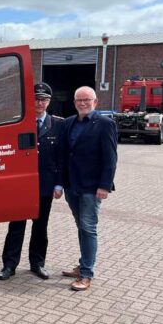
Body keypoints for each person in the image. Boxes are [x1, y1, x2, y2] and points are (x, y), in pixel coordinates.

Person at [0, 82, 63, 280]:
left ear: (49, 101)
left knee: (40, 227)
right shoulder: (17, 123)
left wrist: (59, 184)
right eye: (36, 98)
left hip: (45, 185)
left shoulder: (58, 124)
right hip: (21, 186)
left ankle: (37, 263)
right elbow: (7, 154)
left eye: (43, 99)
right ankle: (9, 265)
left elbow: (61, 157)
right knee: (16, 226)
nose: (40, 102)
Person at [57, 86, 118, 291]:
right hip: (71, 185)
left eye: (86, 99)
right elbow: (63, 155)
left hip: (92, 188)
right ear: (74, 103)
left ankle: (86, 274)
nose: (82, 103)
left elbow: (110, 159)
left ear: (95, 102)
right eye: (78, 100)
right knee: (81, 227)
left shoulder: (105, 124)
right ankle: (83, 265)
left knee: (88, 228)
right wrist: (60, 182)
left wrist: (104, 186)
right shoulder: (68, 123)